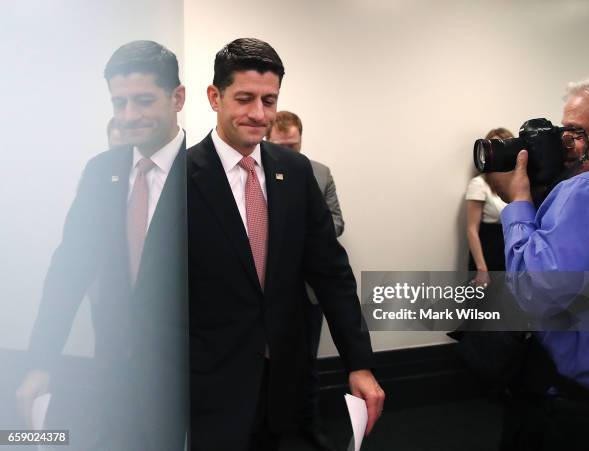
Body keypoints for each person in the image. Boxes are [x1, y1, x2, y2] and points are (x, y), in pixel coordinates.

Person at [187, 38, 384, 451]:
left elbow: (331, 271)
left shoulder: (294, 172)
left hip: (289, 382)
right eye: (244, 99)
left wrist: (359, 363)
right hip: (212, 384)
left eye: (269, 100)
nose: (259, 115)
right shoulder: (180, 176)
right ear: (214, 97)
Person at [16, 40, 188, 450]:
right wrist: (42, 359)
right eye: (119, 103)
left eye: (144, 101)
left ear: (177, 98)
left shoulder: (206, 173)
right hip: (115, 368)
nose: (129, 116)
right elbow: (68, 270)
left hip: (188, 372)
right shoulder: (101, 173)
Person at [488, 67, 589, 451]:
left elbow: (539, 295)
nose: (566, 145)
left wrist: (520, 202)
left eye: (577, 134)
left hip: (576, 406)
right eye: (563, 134)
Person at [267, 111, 343, 451]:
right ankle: (273, 430)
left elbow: (337, 222)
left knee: (308, 364)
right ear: (268, 140)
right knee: (268, 365)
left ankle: (310, 426)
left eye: (294, 144)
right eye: (282, 145)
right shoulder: (253, 174)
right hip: (267, 289)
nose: (290, 151)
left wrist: (303, 232)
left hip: (309, 290)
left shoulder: (320, 172)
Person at [465, 128, 513, 286]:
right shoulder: (479, 184)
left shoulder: (515, 185)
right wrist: (482, 270)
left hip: (508, 251)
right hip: (487, 252)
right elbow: (472, 229)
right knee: (485, 307)